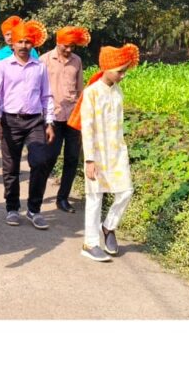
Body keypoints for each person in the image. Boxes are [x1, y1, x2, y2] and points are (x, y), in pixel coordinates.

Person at [70, 43, 140, 262]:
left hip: (117, 153)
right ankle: (90, 243)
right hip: (97, 155)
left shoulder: (118, 92)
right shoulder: (91, 93)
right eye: (120, 71)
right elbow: (87, 128)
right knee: (95, 197)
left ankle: (109, 227)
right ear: (107, 68)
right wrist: (89, 159)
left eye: (125, 71)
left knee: (126, 191)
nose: (123, 75)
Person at [0, 18, 55, 230]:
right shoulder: (2, 66)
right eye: (20, 42)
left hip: (35, 121)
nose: (24, 46)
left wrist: (50, 122)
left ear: (33, 44)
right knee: (11, 167)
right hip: (10, 121)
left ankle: (34, 209)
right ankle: (12, 208)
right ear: (13, 44)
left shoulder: (40, 68)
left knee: (40, 161)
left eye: (28, 42)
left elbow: (47, 96)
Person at [40, 26, 91, 213]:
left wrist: (83, 115)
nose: (69, 50)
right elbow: (37, 90)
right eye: (66, 46)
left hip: (73, 117)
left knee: (71, 158)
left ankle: (62, 198)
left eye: (72, 47)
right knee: (49, 157)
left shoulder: (77, 61)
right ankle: (37, 194)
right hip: (52, 118)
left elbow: (79, 90)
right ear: (57, 42)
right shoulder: (44, 60)